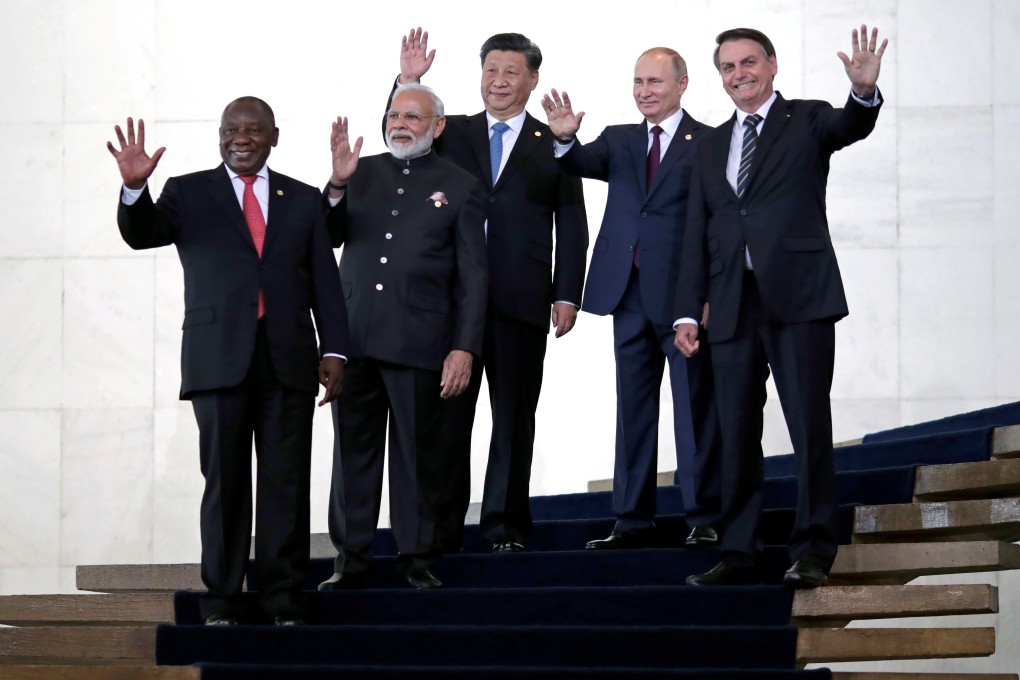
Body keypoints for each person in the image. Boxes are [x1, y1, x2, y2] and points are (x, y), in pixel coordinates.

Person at [108, 97, 351, 625]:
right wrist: (134, 188)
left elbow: (324, 284)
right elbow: (141, 232)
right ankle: (222, 599)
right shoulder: (187, 192)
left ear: (274, 137)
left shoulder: (303, 199)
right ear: (219, 136)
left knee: (285, 483)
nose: (240, 138)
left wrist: (334, 349)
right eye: (231, 130)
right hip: (218, 360)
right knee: (225, 482)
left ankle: (283, 598)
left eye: (253, 130)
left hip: (288, 360)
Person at [676, 26, 887, 589]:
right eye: (728, 67)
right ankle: (740, 550)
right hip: (730, 306)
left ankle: (814, 550)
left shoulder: (809, 119)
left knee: (807, 427)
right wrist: (686, 312)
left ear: (771, 65)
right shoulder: (712, 144)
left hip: (799, 297)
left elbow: (851, 125)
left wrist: (863, 92)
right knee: (735, 432)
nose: (739, 74)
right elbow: (698, 228)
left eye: (749, 62)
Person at [394, 29, 588, 553]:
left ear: (532, 78)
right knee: (446, 421)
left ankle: (504, 528)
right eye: (490, 70)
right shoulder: (447, 131)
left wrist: (567, 292)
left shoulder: (554, 140)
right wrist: (408, 81)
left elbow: (571, 220)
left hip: (521, 299)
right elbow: (399, 138)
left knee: (513, 417)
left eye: (509, 72)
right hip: (452, 304)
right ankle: (440, 531)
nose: (498, 81)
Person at [542, 48, 721, 550]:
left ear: (682, 85)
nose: (645, 91)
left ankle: (704, 516)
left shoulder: (706, 142)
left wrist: (704, 296)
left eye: (655, 82)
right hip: (628, 295)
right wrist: (563, 137)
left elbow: (713, 226)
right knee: (634, 409)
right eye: (638, 81)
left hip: (683, 298)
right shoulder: (619, 140)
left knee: (693, 409)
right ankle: (631, 520)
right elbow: (579, 161)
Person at [317, 84, 488, 591]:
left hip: (420, 341)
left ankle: (416, 559)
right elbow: (323, 236)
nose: (401, 123)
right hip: (357, 338)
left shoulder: (460, 184)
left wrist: (464, 346)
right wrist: (335, 185)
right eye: (395, 114)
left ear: (436, 126)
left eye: (413, 116)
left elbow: (474, 276)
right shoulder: (359, 171)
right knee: (352, 454)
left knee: (418, 455)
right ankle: (351, 560)